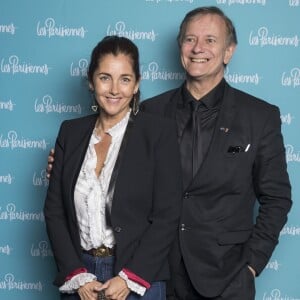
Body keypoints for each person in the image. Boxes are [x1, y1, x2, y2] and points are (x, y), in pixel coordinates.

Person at [47, 6, 292, 300]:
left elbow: (277, 198)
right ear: (180, 48)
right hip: (156, 272)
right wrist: (64, 167)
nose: (198, 48)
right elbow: (104, 168)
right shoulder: (148, 112)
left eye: (210, 40)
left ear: (229, 51)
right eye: (190, 39)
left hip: (225, 274)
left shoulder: (259, 117)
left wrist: (252, 263)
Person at [44, 35, 182, 300]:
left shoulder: (158, 133)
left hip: (140, 279)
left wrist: (129, 277)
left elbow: (167, 215)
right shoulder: (70, 133)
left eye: (125, 79)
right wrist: (76, 275)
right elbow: (54, 211)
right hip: (83, 279)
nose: (114, 89)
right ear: (91, 81)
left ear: (137, 83)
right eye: (105, 77)